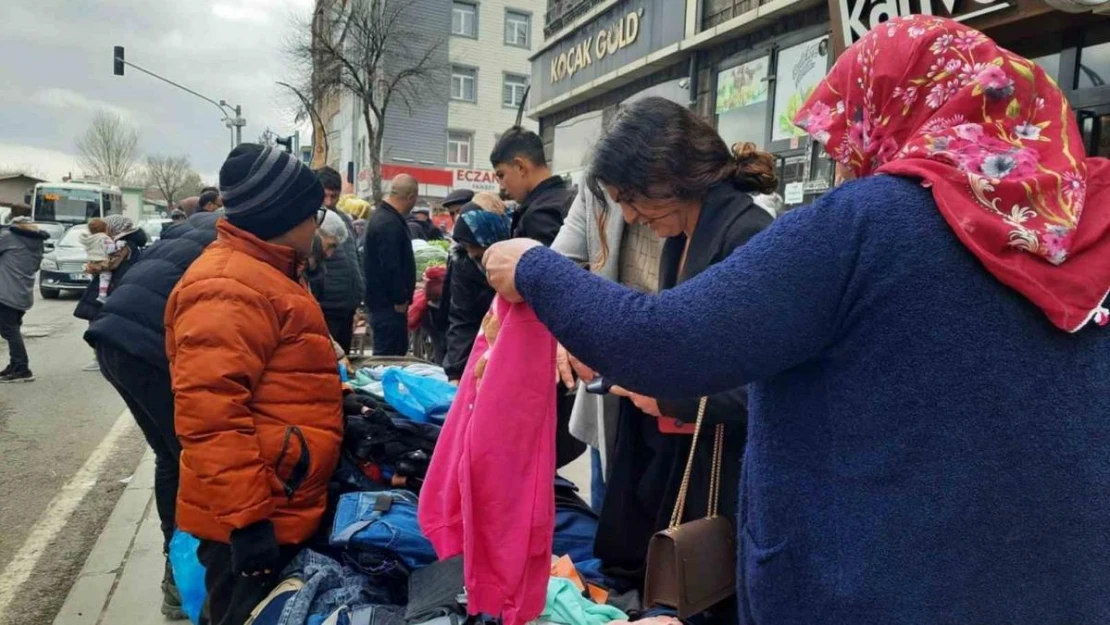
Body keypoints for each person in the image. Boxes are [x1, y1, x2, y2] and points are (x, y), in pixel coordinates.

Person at [484, 17, 1110, 623]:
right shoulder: (1086, 236)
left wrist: (537, 269)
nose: (843, 161)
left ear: (898, 110)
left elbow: (668, 343)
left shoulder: (871, 223)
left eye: (850, 132)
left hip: (872, 587)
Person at [166, 144, 342, 625]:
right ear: (282, 216)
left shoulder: (264, 275)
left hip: (277, 499)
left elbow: (278, 383)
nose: (317, 225)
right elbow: (210, 416)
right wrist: (247, 522)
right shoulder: (230, 286)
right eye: (314, 214)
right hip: (254, 514)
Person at [85, 206, 222, 619]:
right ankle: (182, 576)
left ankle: (175, 568)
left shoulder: (202, 226)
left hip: (112, 335)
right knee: (194, 457)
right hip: (145, 347)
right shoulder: (240, 245)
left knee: (172, 455)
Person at [74, 215, 148, 371]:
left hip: (113, 287)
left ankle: (102, 358)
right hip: (115, 286)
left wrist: (92, 267)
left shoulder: (123, 245)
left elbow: (109, 265)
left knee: (100, 321)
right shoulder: (127, 244)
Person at [363, 174, 418, 356]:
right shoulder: (388, 223)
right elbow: (391, 266)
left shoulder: (383, 217)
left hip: (383, 305)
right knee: (389, 357)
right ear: (411, 197)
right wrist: (400, 298)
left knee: (390, 354)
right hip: (388, 308)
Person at [490, 126, 571, 245]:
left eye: (501, 175)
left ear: (520, 167)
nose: (502, 186)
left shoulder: (537, 216)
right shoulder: (571, 198)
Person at [314, 166, 365, 354]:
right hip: (326, 307)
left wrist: (358, 299)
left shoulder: (344, 219)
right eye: (324, 196)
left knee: (344, 361)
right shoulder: (310, 221)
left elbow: (354, 258)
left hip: (347, 306)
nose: (328, 202)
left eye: (334, 197)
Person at [0, 217, 49, 383]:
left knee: (9, 330)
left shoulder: (8, 237)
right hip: (23, 293)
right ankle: (15, 365)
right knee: (12, 329)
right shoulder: (37, 243)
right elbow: (35, 266)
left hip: (5, 292)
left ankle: (22, 368)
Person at [81, 218, 121, 303]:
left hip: (92, 262)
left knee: (94, 278)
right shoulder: (104, 238)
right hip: (102, 262)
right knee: (105, 277)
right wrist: (118, 245)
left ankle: (92, 292)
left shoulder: (90, 239)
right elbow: (110, 250)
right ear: (104, 228)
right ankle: (102, 295)